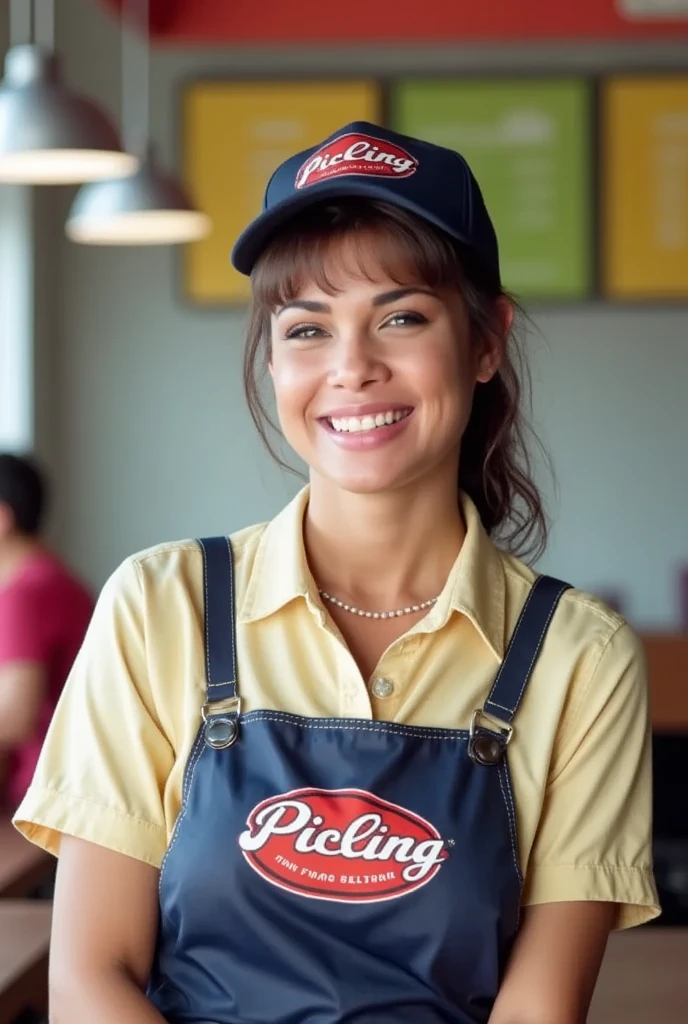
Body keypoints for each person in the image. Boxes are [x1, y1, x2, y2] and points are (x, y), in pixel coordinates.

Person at [13, 122, 659, 1023]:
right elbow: (90, 983)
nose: (352, 368)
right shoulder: (160, 607)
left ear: (485, 341)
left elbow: (539, 1010)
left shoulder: (579, 659)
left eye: (401, 317)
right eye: (307, 328)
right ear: (274, 361)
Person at [0, 453, 93, 815]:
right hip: (71, 789)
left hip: (38, 800)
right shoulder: (59, 579)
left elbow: (14, 716)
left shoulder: (24, 592)